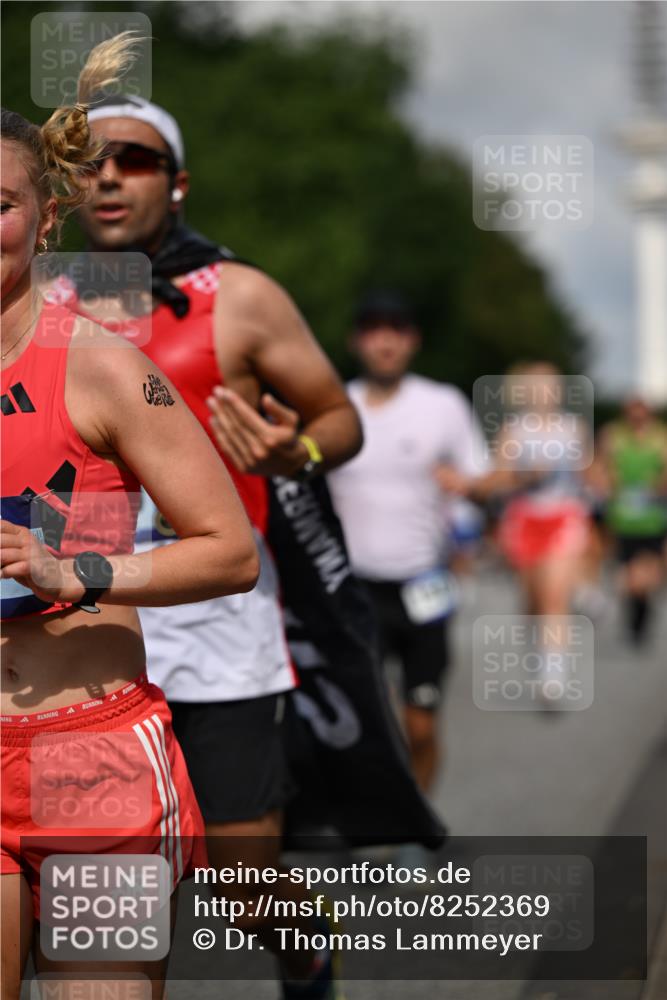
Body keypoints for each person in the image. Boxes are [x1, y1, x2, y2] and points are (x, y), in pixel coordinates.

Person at [52, 94, 362, 998]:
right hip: (86, 617)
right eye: (91, 159)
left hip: (218, 620)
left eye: (137, 159)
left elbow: (336, 417)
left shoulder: (240, 295)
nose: (109, 173)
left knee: (237, 879)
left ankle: (305, 948)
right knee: (94, 886)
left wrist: (294, 450)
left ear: (176, 183)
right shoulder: (30, 298)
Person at [0, 36, 260, 1000]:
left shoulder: (105, 365)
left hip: (90, 755)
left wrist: (82, 572)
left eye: (0, 206)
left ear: (45, 215)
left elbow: (227, 550)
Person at [326, 291, 489, 794]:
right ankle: (372, 822)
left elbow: (482, 477)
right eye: (374, 329)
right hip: (355, 589)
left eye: (396, 330)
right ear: (357, 341)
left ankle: (418, 827)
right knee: (363, 721)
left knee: (420, 723)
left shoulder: (442, 404)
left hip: (424, 584)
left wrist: (470, 487)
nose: (385, 341)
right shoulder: (335, 406)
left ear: (412, 341)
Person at [494, 362, 593, 702]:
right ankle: (541, 654)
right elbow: (500, 477)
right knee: (533, 600)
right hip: (524, 519)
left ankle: (554, 672)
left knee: (554, 596)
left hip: (563, 515)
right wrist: (527, 475)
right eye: (538, 385)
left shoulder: (573, 427)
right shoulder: (514, 429)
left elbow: (586, 475)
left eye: (551, 385)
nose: (546, 392)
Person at [598, 396, 667, 644]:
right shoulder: (614, 435)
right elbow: (603, 468)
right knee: (629, 578)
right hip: (623, 515)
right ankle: (635, 615)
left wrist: (657, 486)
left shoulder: (660, 437)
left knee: (649, 574)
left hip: (653, 516)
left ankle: (643, 611)